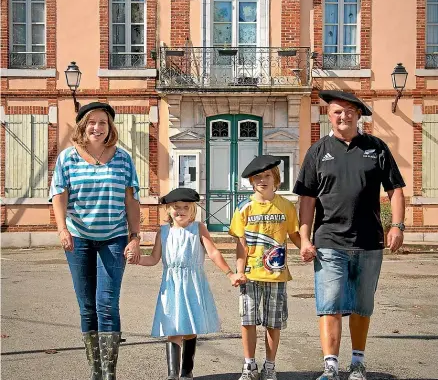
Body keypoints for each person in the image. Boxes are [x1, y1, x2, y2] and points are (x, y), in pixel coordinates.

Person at [294, 90, 406, 380]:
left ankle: (357, 363)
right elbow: (306, 199)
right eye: (336, 112)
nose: (343, 116)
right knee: (329, 304)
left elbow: (394, 188)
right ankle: (330, 366)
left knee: (361, 305)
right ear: (329, 116)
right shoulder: (318, 151)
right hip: (329, 241)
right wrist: (305, 238)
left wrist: (397, 225)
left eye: (348, 111)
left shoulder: (377, 148)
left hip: (369, 242)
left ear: (358, 114)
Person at [50, 102, 141, 380]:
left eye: (103, 123)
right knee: (87, 304)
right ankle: (96, 371)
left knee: (107, 303)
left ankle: (109, 372)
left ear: (110, 127)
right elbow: (59, 195)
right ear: (82, 126)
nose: (97, 128)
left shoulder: (123, 159)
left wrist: (135, 236)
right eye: (92, 122)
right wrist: (62, 229)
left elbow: (131, 200)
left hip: (113, 238)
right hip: (78, 239)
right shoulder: (67, 158)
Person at [130, 186, 243, 380]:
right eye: (176, 207)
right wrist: (137, 259)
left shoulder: (198, 228)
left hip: (192, 283)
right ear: (168, 210)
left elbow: (213, 252)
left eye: (185, 207)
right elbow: (154, 258)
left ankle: (186, 371)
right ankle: (172, 374)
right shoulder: (163, 231)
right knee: (172, 327)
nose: (180, 210)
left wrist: (230, 273)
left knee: (190, 328)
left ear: (193, 210)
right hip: (171, 285)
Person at [229, 155, 301, 380]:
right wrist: (239, 270)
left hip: (277, 274)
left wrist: (309, 249)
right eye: (257, 176)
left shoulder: (286, 206)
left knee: (273, 323)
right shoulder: (244, 208)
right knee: (248, 320)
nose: (262, 180)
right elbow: (241, 244)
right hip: (250, 275)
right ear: (251, 181)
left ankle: (270, 365)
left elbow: (294, 235)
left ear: (276, 179)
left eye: (267, 175)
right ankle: (249, 365)